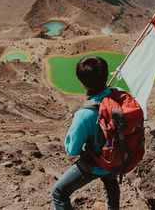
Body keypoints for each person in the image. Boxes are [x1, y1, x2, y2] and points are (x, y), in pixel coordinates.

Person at [51, 56, 120, 210]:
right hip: (117, 157)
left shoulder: (85, 115)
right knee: (110, 181)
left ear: (82, 82)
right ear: (106, 74)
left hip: (95, 164)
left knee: (58, 193)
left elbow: (72, 150)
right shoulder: (119, 95)